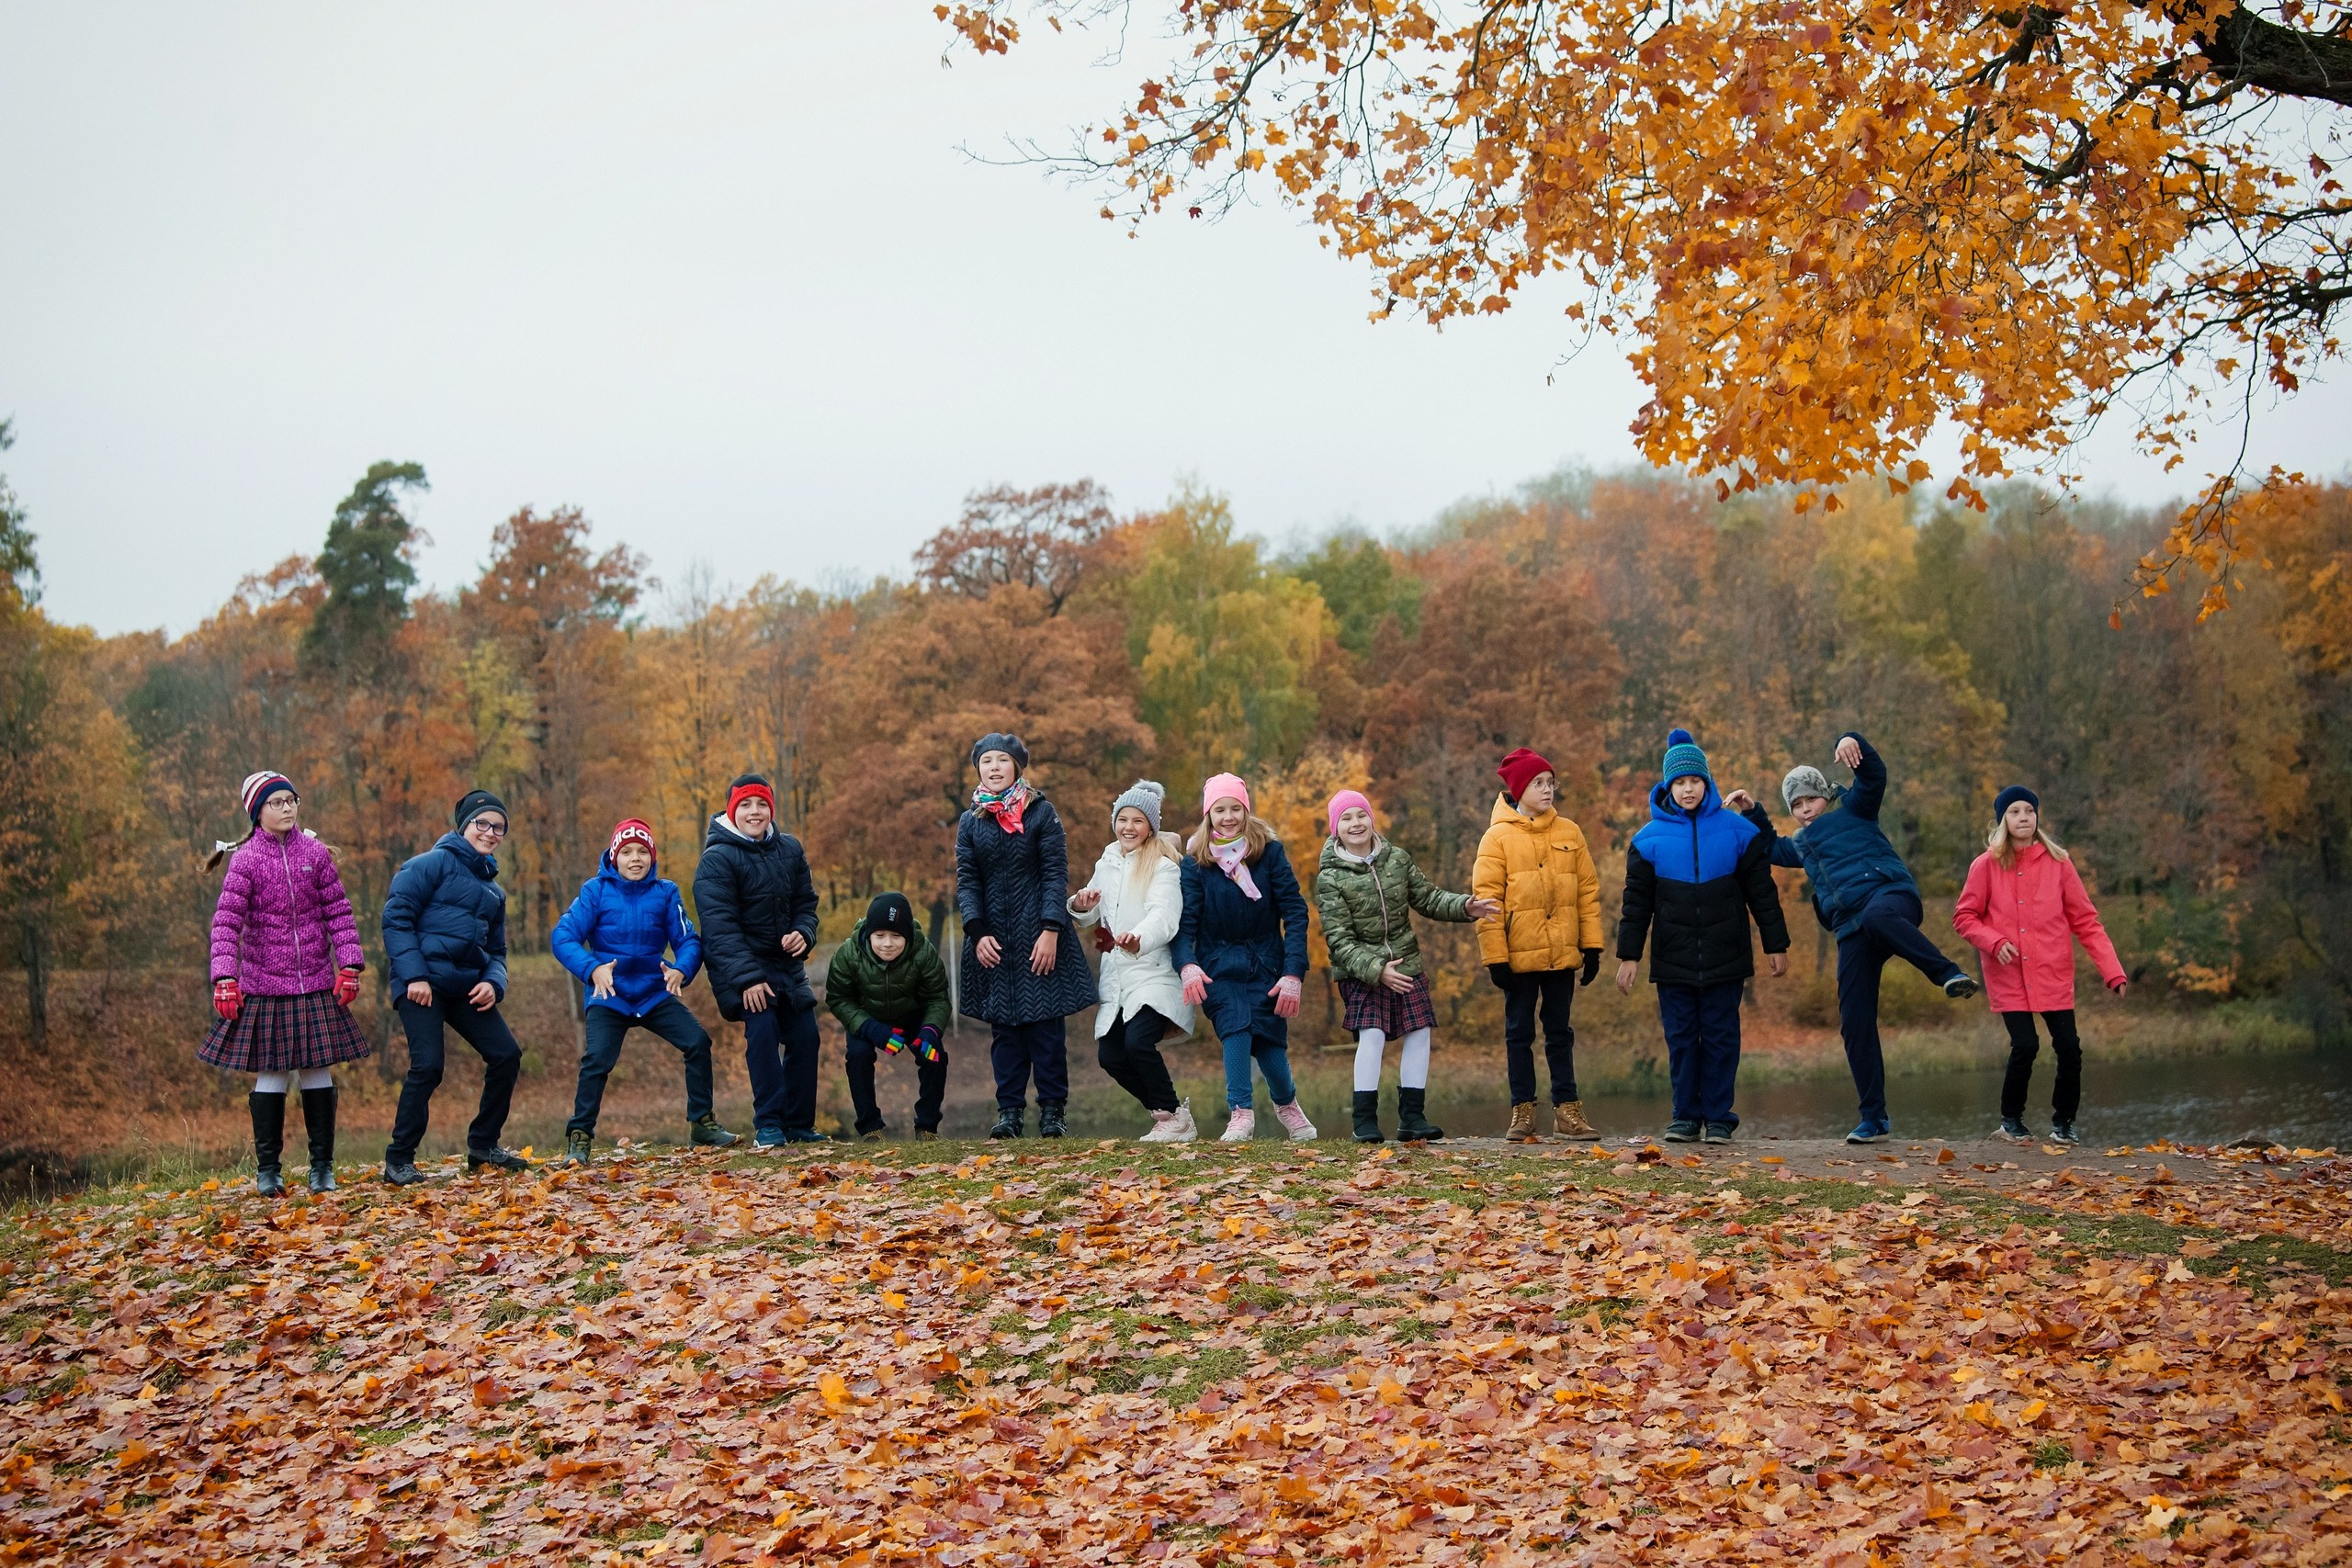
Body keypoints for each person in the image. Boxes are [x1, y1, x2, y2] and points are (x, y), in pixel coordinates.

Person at [1727, 731, 1980, 1145]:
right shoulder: (1802, 845)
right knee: (1854, 1019)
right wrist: (1752, 809)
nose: (1805, 809)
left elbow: (1874, 777)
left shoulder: (1856, 810)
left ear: (1825, 796)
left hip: (1890, 899)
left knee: (1880, 916)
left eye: (1809, 799)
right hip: (1851, 928)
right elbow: (1769, 847)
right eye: (1796, 805)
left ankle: (1947, 973)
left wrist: (1853, 743)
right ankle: (1874, 1117)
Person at [1613, 729, 1792, 1145]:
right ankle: (1684, 1117)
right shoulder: (1646, 840)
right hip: (1673, 959)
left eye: (1694, 780)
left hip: (1725, 955)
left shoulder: (1738, 832)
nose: (1687, 788)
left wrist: (1776, 944)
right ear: (1667, 787)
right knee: (1680, 1039)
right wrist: (1629, 956)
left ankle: (1719, 1117)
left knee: (1721, 1036)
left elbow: (1763, 894)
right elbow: (1635, 905)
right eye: (1679, 782)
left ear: (1707, 783)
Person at [202, 771, 370, 1196]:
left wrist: (349, 965)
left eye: (291, 799)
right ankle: (269, 1171)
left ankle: (322, 1169)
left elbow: (339, 913)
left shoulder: (315, 853)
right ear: (258, 812)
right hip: (264, 986)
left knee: (317, 1070)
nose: (287, 807)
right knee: (272, 1073)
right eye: (276, 802)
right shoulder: (245, 861)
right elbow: (226, 924)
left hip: (315, 981)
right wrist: (225, 976)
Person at [1315, 787, 1499, 1144]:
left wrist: (1465, 907)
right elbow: (1338, 940)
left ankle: (1412, 1118)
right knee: (1372, 1035)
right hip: (1361, 971)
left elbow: (1428, 897)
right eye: (1347, 818)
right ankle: (1364, 1120)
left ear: (1372, 819)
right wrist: (1376, 970)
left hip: (1406, 962)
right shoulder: (1330, 877)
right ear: (1336, 828)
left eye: (1361, 815)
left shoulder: (1396, 859)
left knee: (1420, 1031)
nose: (1356, 824)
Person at [550, 818, 738, 1164]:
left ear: (652, 857)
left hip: (653, 992)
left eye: (642, 852)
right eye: (627, 852)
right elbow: (562, 937)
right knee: (597, 1061)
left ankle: (703, 1125)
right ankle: (579, 1138)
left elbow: (688, 940)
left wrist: (682, 968)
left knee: (697, 1041)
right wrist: (592, 969)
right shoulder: (596, 891)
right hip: (609, 993)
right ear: (614, 856)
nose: (635, 859)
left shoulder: (665, 892)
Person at [1952, 785, 2127, 1145]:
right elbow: (1965, 917)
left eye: (2029, 811)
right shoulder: (1985, 865)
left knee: (2068, 1047)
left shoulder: (2059, 863)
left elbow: (2087, 922)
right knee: (2026, 1045)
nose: (2023, 818)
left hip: (2052, 971)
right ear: (2003, 819)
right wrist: (1994, 941)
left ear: (2037, 817)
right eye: (2015, 811)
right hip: (2009, 973)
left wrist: (2112, 971)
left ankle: (2063, 1124)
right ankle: (2011, 1120)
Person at [380, 789, 529, 1184]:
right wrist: (414, 976)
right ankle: (399, 1160)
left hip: (466, 986)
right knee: (428, 1066)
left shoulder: (494, 893)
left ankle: (483, 1147)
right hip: (421, 984)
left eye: (498, 827)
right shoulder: (428, 865)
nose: (490, 832)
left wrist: (493, 984)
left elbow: (498, 952)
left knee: (506, 1055)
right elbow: (396, 919)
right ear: (464, 826)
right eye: (483, 824)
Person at [955, 733, 1099, 1140]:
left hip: (1039, 937)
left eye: (1002, 760)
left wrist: (1051, 929)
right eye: (987, 762)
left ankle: (1053, 1113)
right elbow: (967, 882)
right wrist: (976, 931)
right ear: (979, 769)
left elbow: (1055, 874)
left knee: (1046, 1031)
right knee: (1005, 1034)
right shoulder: (970, 820)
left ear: (1017, 767)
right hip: (993, 943)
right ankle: (1009, 1114)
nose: (995, 767)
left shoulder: (1041, 812)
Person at [1173, 773, 1317, 1143]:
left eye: (1235, 808)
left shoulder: (1269, 852)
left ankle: (1286, 1104)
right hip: (1218, 965)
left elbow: (1295, 912)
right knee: (1236, 1028)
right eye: (1220, 809)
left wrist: (1293, 973)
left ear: (1246, 810)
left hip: (1267, 961)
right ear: (1209, 815)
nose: (1228, 816)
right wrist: (1187, 965)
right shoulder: (1195, 863)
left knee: (1268, 1041)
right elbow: (1185, 923)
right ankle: (1241, 1113)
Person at [1473, 747, 1604, 1142]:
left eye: (1550, 783)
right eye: (1538, 783)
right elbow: (1487, 899)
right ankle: (1523, 1112)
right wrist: (1495, 958)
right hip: (1517, 956)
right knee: (1519, 1034)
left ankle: (1568, 1112)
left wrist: (1592, 946)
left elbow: (1587, 892)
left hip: (1562, 952)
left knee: (1560, 1032)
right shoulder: (1496, 838)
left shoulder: (1570, 832)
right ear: (1518, 790)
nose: (1547, 790)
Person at [694, 773, 827, 1146]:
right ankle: (768, 1125)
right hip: (743, 970)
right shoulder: (716, 860)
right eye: (747, 805)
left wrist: (804, 932)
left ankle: (799, 1125)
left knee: (806, 1037)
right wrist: (748, 979)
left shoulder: (790, 849)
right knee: (764, 1031)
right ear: (733, 811)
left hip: (786, 966)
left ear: (771, 809)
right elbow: (719, 929)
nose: (755, 812)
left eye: (762, 804)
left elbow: (806, 904)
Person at [1069, 780, 1198, 1143]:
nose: (1129, 827)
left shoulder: (1163, 865)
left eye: (1138, 820)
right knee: (1110, 1056)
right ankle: (1168, 1116)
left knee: (1138, 1043)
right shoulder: (1107, 861)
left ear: (1152, 826)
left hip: (1154, 971)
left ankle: (1173, 1116)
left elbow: (1165, 916)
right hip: (1117, 976)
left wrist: (1138, 936)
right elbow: (1093, 912)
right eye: (1122, 819)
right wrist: (1081, 906)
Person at [824, 892, 953, 1142]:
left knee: (934, 1055)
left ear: (907, 936)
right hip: (866, 1017)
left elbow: (938, 998)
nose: (887, 944)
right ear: (868, 934)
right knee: (858, 1055)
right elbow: (838, 998)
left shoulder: (924, 953)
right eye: (880, 936)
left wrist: (929, 1031)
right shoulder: (847, 954)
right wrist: (871, 1029)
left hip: (912, 1015)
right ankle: (870, 1127)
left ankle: (927, 1127)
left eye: (896, 936)